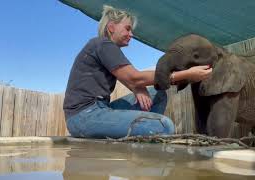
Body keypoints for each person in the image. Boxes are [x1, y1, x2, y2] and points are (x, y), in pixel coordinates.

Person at [63, 5, 212, 139]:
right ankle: (149, 132)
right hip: (84, 116)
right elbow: (134, 77)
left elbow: (127, 77)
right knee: (164, 126)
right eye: (127, 28)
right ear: (111, 27)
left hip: (100, 109)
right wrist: (186, 75)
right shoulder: (102, 44)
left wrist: (137, 88)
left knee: (157, 93)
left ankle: (144, 130)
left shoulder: (104, 48)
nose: (131, 35)